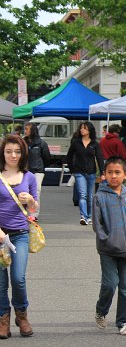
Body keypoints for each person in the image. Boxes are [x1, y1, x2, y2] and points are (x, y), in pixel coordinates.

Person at [92, 156, 126, 336]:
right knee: (110, 283)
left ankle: (123, 322)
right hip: (108, 249)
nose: (113, 176)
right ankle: (101, 310)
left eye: (117, 172)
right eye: (109, 172)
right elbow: (97, 225)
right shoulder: (99, 197)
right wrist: (106, 239)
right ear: (104, 175)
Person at [0, 135, 38, 338]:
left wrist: (31, 199)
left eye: (17, 151)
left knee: (18, 277)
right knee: (0, 281)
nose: (13, 155)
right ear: (3, 153)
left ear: (23, 153)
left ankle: (21, 315)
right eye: (8, 151)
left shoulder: (29, 177)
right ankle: (3, 319)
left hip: (21, 234)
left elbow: (35, 209)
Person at [67, 121, 104, 226]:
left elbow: (99, 158)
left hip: (91, 172)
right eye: (81, 128)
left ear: (89, 130)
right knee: (82, 195)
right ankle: (83, 216)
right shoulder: (76, 143)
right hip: (79, 172)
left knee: (89, 195)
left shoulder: (94, 144)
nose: (82, 130)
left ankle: (89, 216)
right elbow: (69, 156)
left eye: (85, 128)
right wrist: (72, 169)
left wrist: (102, 172)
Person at [23, 123, 51, 218]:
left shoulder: (41, 143)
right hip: (25, 171)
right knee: (25, 191)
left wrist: (41, 167)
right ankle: (26, 213)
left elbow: (47, 158)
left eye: (27, 129)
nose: (25, 131)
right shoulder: (23, 142)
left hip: (38, 171)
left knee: (36, 192)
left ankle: (34, 215)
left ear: (33, 130)